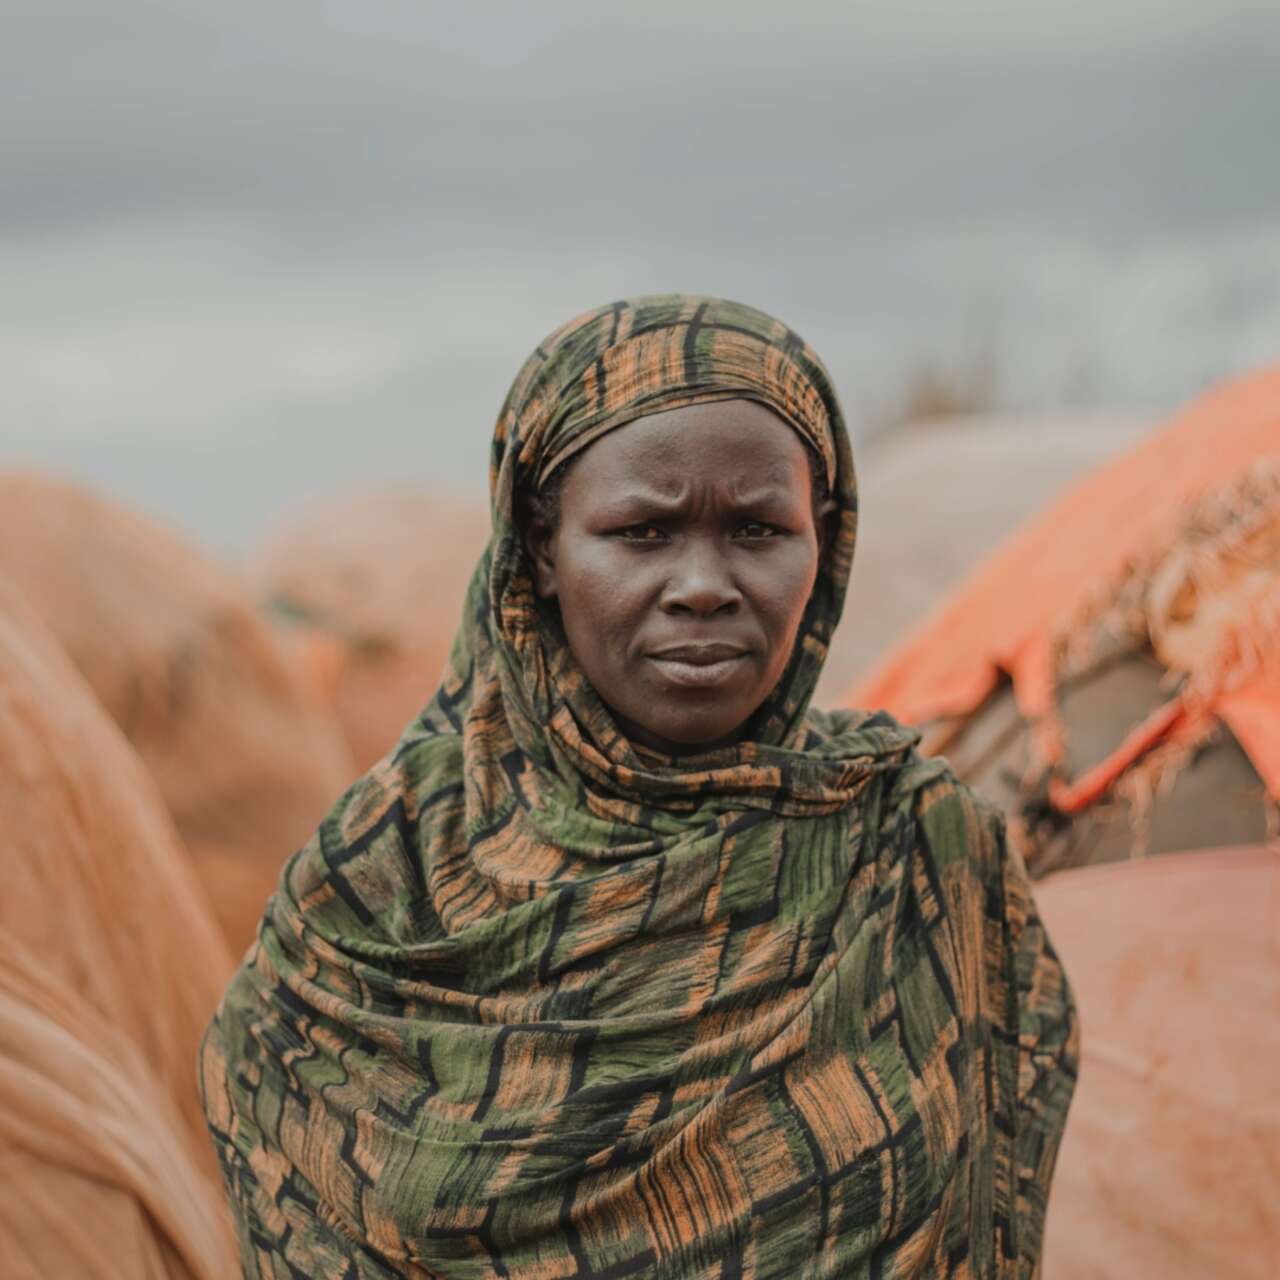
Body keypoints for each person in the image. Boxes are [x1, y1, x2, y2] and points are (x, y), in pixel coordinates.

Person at [201, 295, 1078, 1278]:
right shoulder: (383, 877)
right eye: (640, 533)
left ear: (820, 543)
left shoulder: (914, 845)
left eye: (756, 530)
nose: (702, 582)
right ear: (539, 549)